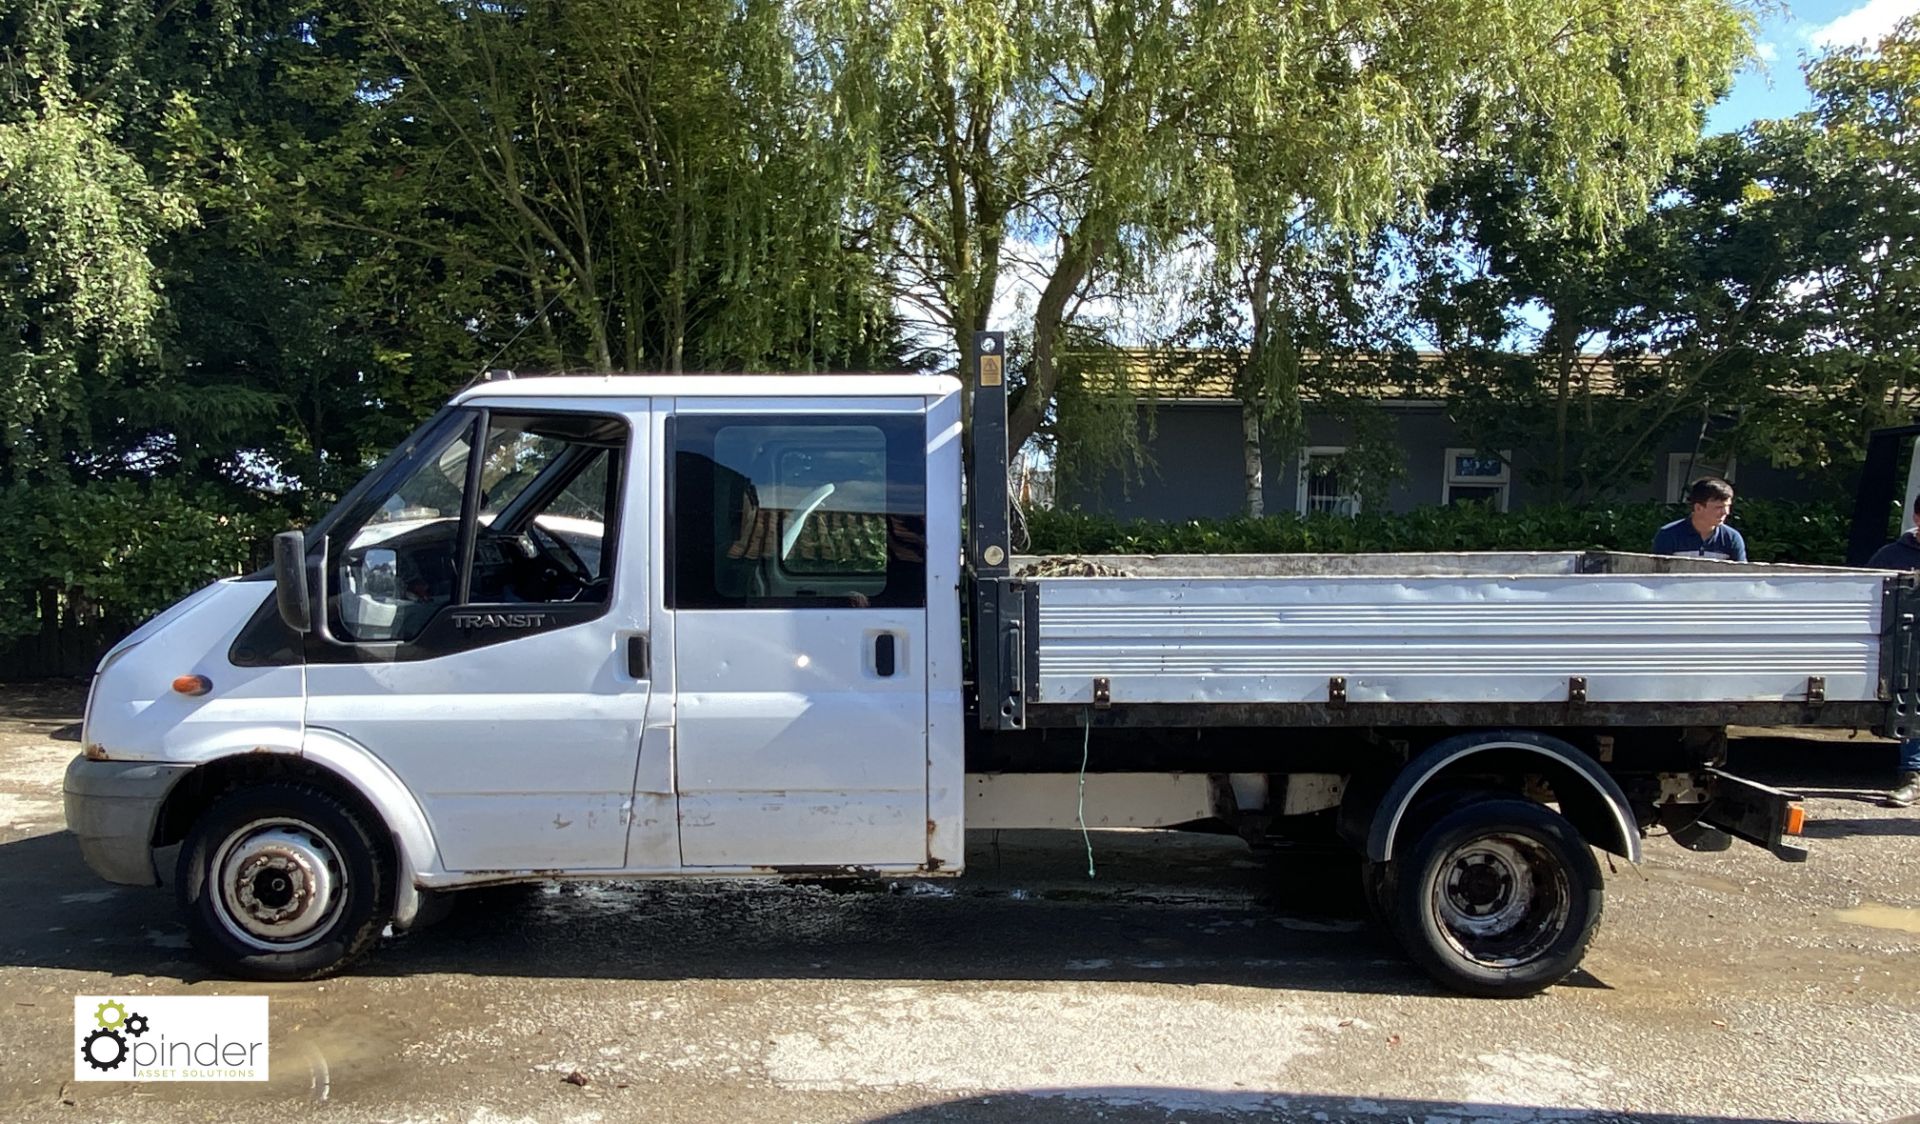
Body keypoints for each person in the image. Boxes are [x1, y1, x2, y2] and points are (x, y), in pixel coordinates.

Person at [1867, 493, 1920, 806]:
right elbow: (1868, 598)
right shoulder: (1892, 555)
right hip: (1908, 650)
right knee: (1913, 704)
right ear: (1916, 519)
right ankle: (1912, 776)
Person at [1651, 477, 1746, 562]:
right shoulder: (1668, 535)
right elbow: (1658, 575)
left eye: (1728, 506)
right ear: (1698, 508)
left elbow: (1741, 578)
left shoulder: (1731, 538)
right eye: (1719, 507)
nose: (1725, 512)